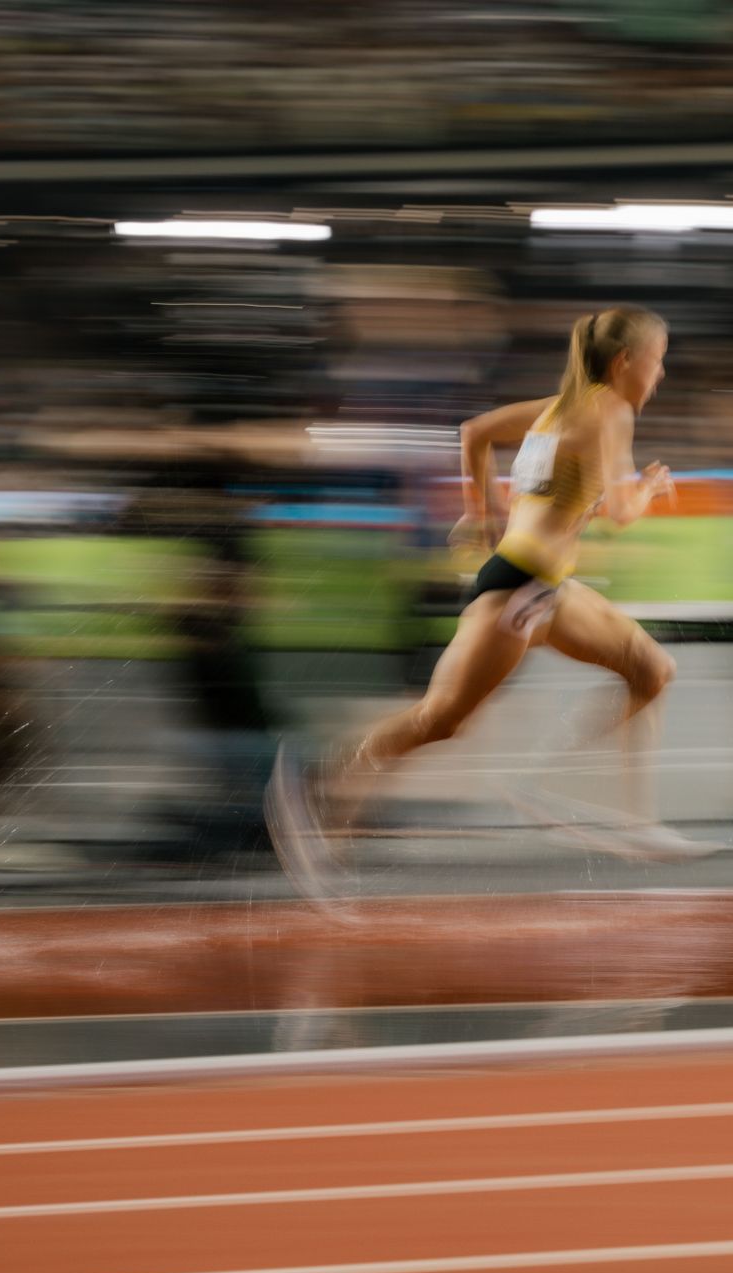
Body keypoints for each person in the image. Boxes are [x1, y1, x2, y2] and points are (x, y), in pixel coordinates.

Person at [267, 306, 709, 898]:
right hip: (522, 590)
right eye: (657, 361)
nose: (660, 376)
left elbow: (474, 433)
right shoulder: (613, 412)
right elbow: (623, 514)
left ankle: (621, 817)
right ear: (626, 361)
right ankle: (315, 792)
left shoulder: (556, 409)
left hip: (540, 586)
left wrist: (484, 513)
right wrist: (649, 487)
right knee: (439, 721)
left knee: (651, 669)